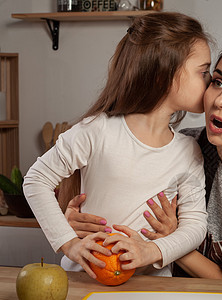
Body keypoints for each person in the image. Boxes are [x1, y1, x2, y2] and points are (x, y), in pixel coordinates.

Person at [65, 34, 222, 281]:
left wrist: (172, 240)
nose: (220, 100)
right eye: (218, 82)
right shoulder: (183, 148)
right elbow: (125, 211)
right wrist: (81, 223)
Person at [23, 12, 211, 279]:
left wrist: (151, 252)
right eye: (203, 71)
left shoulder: (188, 151)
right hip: (86, 281)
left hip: (153, 289)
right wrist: (70, 244)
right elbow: (36, 180)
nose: (211, 80)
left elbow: (194, 227)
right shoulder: (97, 130)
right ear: (162, 76)